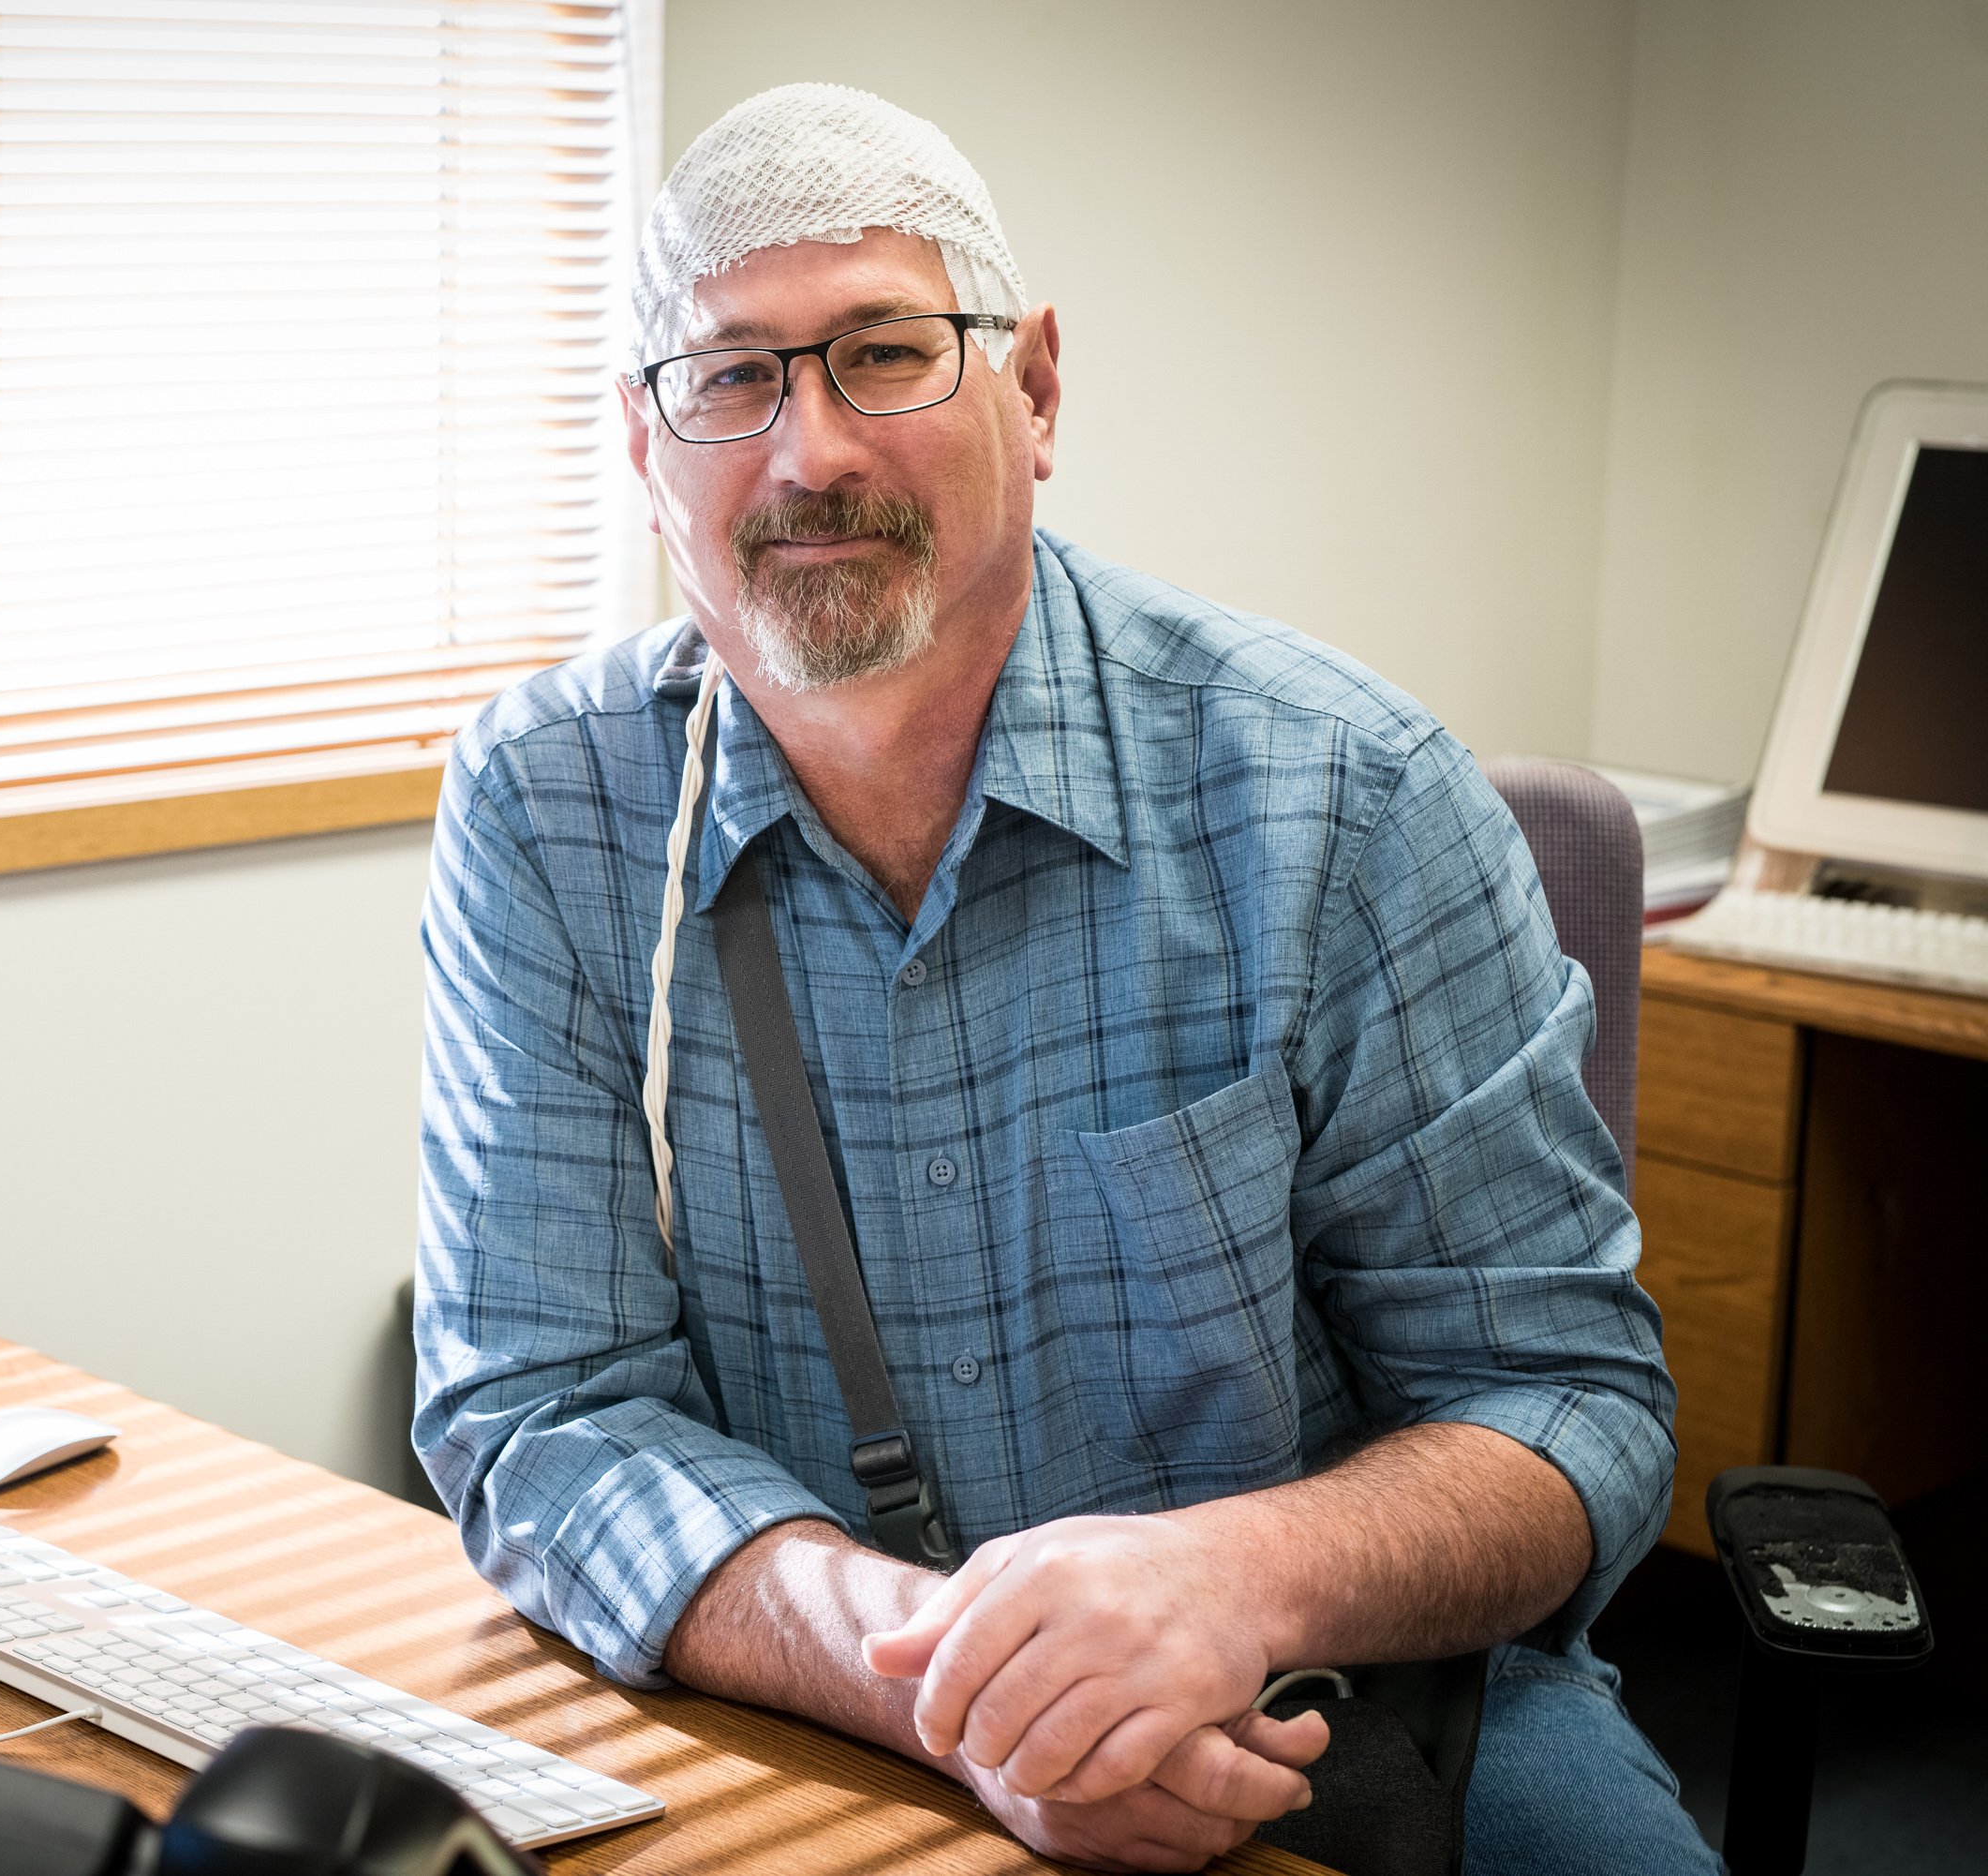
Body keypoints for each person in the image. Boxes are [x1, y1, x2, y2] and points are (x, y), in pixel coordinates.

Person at [413, 83, 1710, 1875]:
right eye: (729, 379)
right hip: (820, 1683)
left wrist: (1225, 1579)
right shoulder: (549, 807)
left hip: (1354, 1701)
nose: (805, 458)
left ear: (1031, 388)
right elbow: (535, 1408)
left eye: (883, 353)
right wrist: (965, 1689)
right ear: (647, 450)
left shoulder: (1344, 795)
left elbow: (1572, 1401)